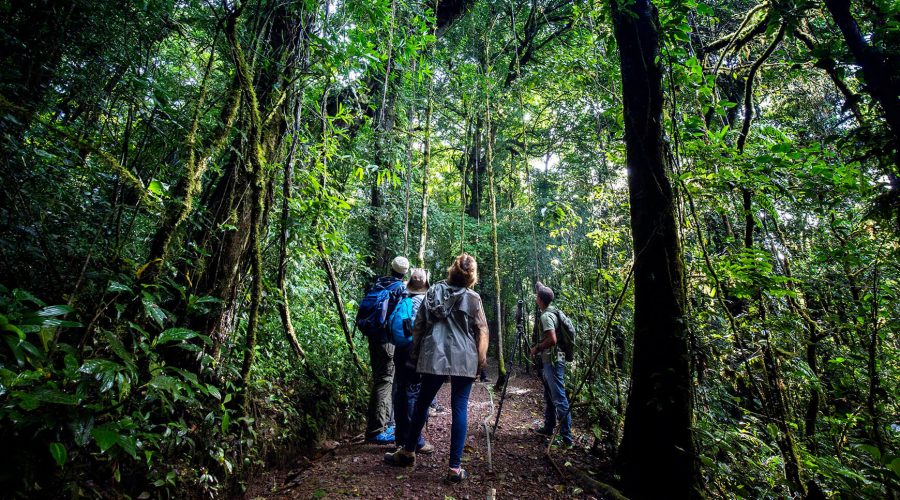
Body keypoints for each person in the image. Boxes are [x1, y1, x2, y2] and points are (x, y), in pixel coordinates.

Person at [384, 253, 489, 485]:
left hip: (434, 355)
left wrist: (414, 354)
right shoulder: (473, 298)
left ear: (452, 270)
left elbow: (419, 326)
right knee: (460, 407)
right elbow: (482, 330)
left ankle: (408, 452)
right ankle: (454, 468)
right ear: (472, 276)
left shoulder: (433, 292)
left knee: (422, 402)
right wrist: (480, 362)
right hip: (465, 357)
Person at [363, 256, 409, 443]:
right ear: (405, 272)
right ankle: (376, 430)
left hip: (373, 337)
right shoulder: (401, 288)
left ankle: (386, 424)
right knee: (385, 382)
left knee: (380, 380)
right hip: (387, 340)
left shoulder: (378, 284)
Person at [389, 268, 434, 454]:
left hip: (400, 349)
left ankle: (400, 438)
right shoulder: (425, 301)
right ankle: (415, 442)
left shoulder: (403, 297)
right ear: (425, 284)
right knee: (413, 394)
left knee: (401, 392)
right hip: (414, 351)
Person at [530, 282, 573, 446]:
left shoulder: (546, 316)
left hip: (553, 360)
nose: (536, 298)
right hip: (555, 359)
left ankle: (567, 438)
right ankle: (549, 426)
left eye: (537, 296)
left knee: (559, 397)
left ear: (540, 299)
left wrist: (537, 348)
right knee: (549, 394)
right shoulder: (553, 312)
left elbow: (552, 340)